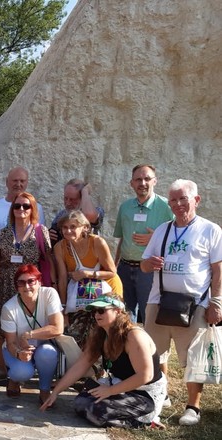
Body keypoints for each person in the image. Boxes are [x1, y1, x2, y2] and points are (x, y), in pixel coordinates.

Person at [140, 179, 222, 426]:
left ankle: (192, 407)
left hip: (195, 303)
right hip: (159, 301)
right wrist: (150, 264)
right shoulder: (162, 230)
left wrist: (216, 303)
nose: (177, 204)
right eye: (173, 199)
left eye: (183, 198)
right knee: (156, 353)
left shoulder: (211, 230)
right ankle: (161, 393)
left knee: (193, 357)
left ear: (196, 200)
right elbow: (144, 265)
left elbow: (218, 270)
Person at [42, 295, 167, 429]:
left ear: (118, 311)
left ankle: (144, 422)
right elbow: (81, 364)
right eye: (94, 311)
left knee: (97, 412)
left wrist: (110, 391)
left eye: (102, 310)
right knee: (80, 402)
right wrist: (56, 392)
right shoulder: (100, 334)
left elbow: (145, 376)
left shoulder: (134, 336)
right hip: (120, 386)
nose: (96, 314)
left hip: (144, 394)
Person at [0, 191, 53, 381]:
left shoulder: (40, 231)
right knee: (0, 327)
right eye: (17, 206)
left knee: (28, 324)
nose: (21, 209)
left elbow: (48, 259)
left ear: (33, 209)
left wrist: (54, 286)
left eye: (26, 206)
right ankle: (2, 367)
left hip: (30, 284)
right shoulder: (4, 233)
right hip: (5, 282)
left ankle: (26, 363)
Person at [54, 210, 122, 349]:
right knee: (77, 335)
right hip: (81, 295)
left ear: (84, 227)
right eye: (65, 227)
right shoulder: (60, 247)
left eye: (73, 227)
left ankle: (105, 368)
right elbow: (61, 278)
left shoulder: (97, 242)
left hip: (107, 290)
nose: (68, 231)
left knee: (106, 334)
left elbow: (112, 272)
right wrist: (63, 308)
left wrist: (88, 274)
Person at [114, 164, 173, 323]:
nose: (143, 183)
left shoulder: (167, 206)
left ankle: (153, 348)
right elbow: (122, 239)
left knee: (150, 316)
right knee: (123, 316)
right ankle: (128, 348)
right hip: (124, 269)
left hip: (149, 271)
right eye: (138, 179)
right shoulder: (125, 207)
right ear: (131, 183)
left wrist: (156, 238)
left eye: (147, 179)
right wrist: (114, 266)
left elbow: (179, 236)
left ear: (155, 181)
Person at [1, 265, 64, 404]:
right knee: (22, 372)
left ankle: (44, 390)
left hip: (44, 345)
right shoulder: (8, 308)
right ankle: (14, 379)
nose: (27, 286)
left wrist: (28, 335)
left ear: (39, 282)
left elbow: (58, 328)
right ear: (17, 287)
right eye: (21, 282)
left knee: (48, 352)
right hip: (18, 347)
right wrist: (19, 354)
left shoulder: (49, 294)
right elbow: (10, 342)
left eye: (31, 281)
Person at [0, 166, 39, 235]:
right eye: (15, 180)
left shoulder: (35, 208)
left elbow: (40, 236)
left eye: (22, 181)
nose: (18, 184)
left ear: (27, 183)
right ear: (6, 182)